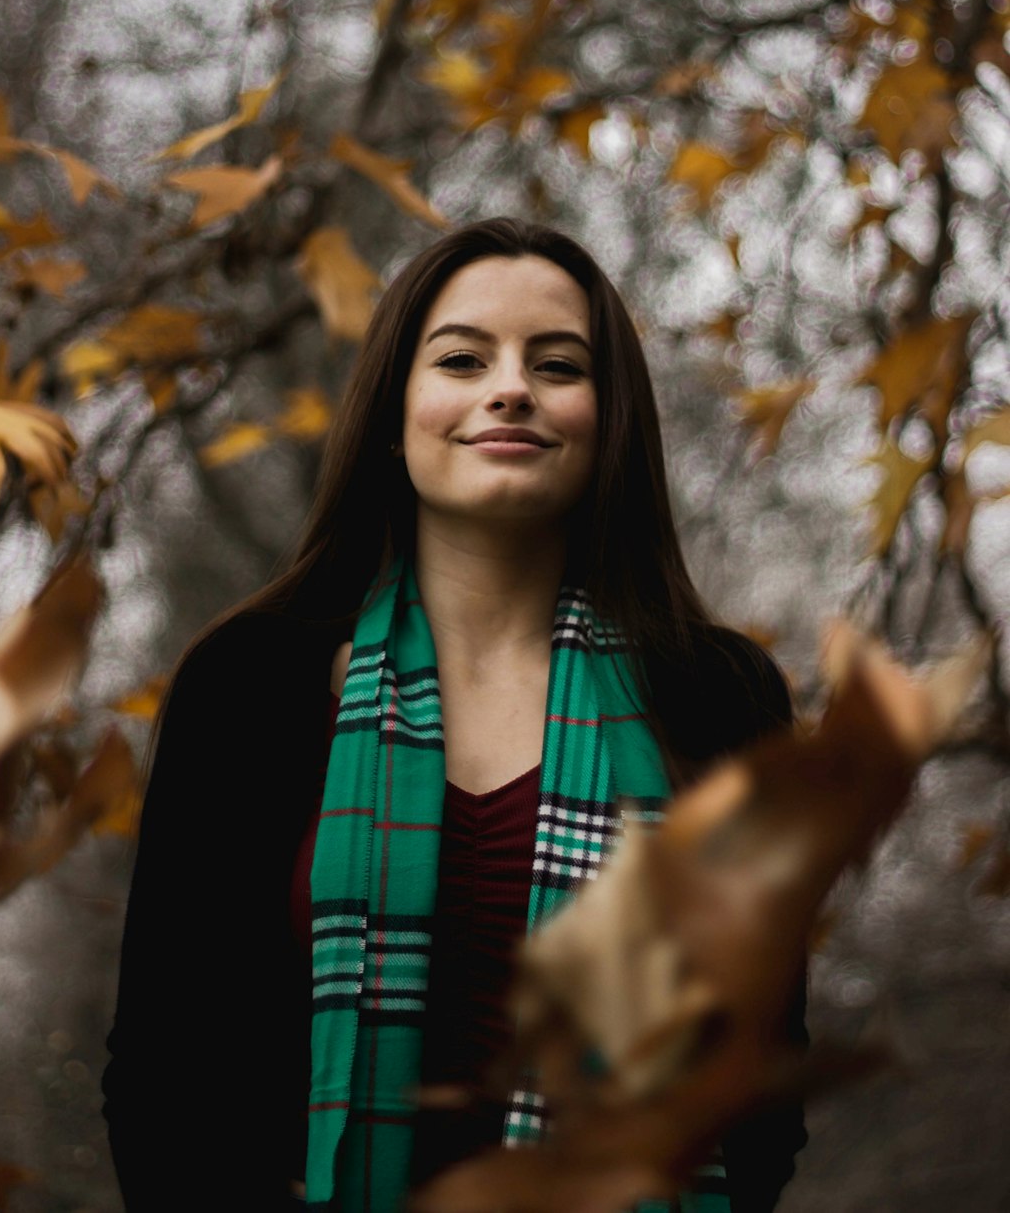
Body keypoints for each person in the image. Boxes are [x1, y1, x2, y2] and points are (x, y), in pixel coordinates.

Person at [101, 217, 807, 1213]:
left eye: (557, 364)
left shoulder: (719, 702)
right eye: (464, 359)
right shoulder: (252, 686)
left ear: (610, 418)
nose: (510, 386)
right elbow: (162, 1077)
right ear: (397, 413)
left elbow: (762, 1085)